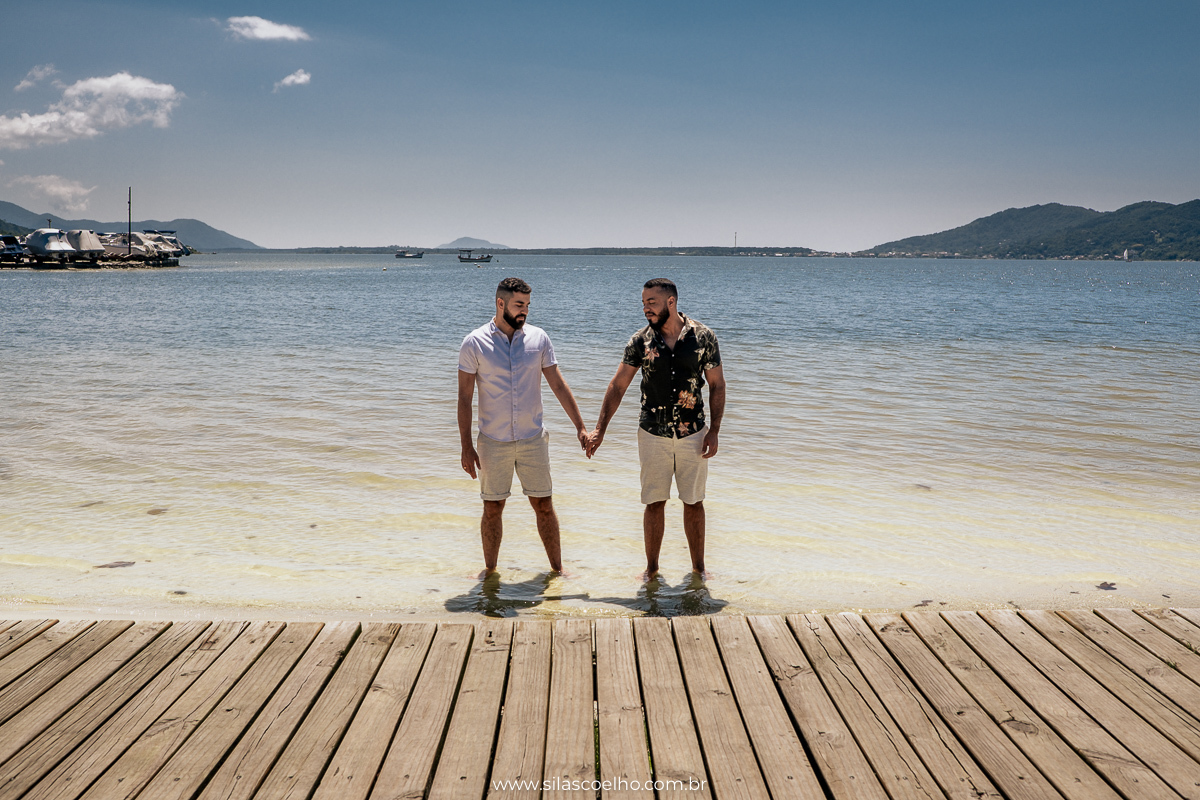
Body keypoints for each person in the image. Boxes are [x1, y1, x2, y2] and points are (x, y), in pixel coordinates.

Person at [587, 278, 725, 578]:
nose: (646, 309)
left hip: (693, 433)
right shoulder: (640, 341)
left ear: (671, 302)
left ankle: (699, 570)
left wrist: (714, 430)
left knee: (694, 502)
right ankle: (651, 570)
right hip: (652, 433)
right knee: (654, 502)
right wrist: (600, 429)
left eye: (652, 302)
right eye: (643, 303)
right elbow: (618, 385)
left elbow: (717, 385)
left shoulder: (704, 337)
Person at [458, 277, 589, 575]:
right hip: (493, 441)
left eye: (528, 305)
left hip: (533, 439)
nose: (525, 311)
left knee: (544, 505)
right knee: (493, 508)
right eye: (519, 305)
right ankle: (490, 572)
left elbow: (558, 384)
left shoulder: (539, 339)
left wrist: (580, 427)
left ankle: (558, 570)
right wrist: (465, 445)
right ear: (500, 303)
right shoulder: (474, 343)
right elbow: (464, 398)